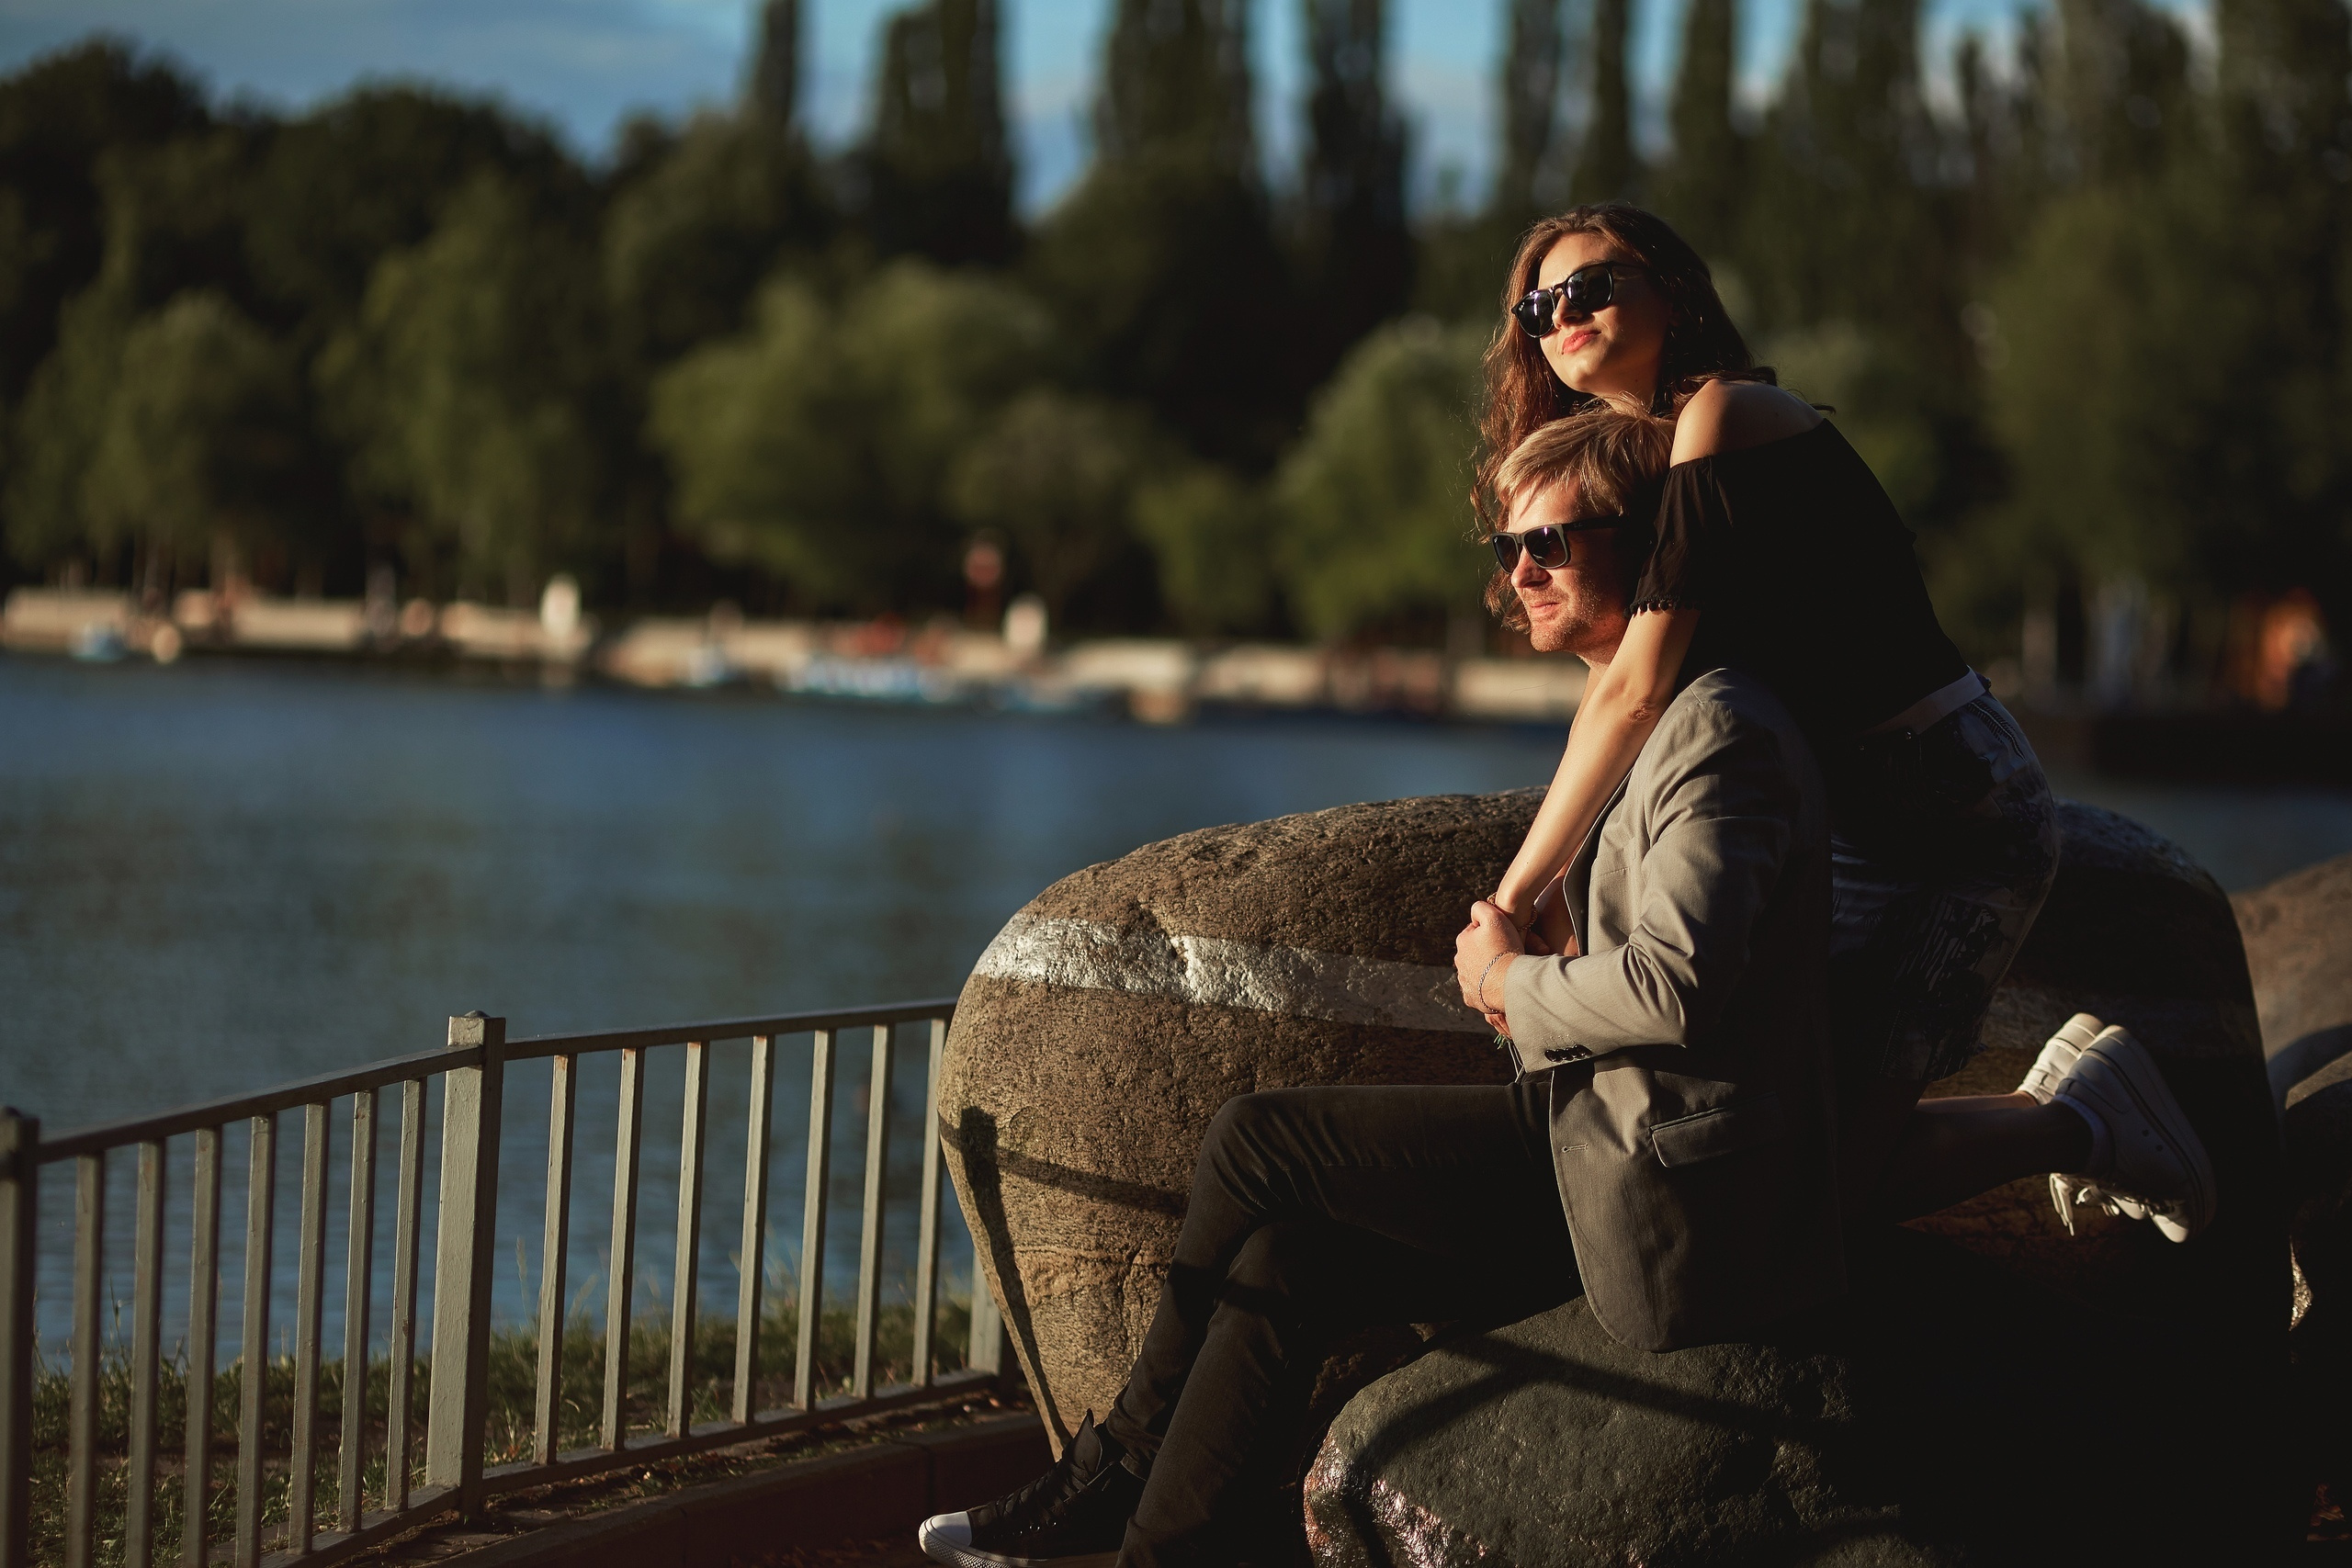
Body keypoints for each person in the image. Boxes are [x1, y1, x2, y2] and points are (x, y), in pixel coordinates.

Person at [913, 405, 2212, 1568]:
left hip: (1668, 1191)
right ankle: (1156, 1537)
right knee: (1295, 1255)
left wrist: (1515, 978)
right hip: (1621, 1144)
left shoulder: (1725, 733)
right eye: (1505, 549)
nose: (1517, 571)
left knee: (1259, 1141)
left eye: (1551, 541)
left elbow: (1683, 985)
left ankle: (1117, 1459)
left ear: (1656, 553)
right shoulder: (1678, 719)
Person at [1473, 204, 2213, 1237]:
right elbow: (1629, 693)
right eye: (1539, 304)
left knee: (1810, 1173)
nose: (1563, 314)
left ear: (1672, 291)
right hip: (1838, 818)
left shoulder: (1726, 413)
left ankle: (2077, 1117)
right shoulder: (1645, 456)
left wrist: (1512, 904)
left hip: (1952, 813)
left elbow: (1635, 691)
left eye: (1593, 285)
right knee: (1760, 1145)